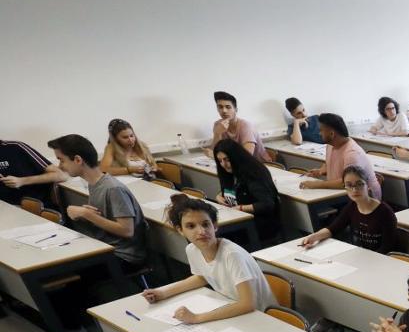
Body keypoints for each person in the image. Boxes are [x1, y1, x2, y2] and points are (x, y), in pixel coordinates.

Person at [141, 195, 276, 322]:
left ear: (215, 226)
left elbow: (247, 304)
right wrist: (163, 293)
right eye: (191, 226)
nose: (201, 231)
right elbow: (202, 277)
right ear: (180, 230)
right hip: (233, 308)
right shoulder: (192, 249)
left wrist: (197, 318)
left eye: (206, 224)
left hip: (260, 317)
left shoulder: (232, 254)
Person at [49, 134, 147, 271]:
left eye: (62, 160)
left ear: (77, 160)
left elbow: (127, 230)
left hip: (125, 257)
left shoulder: (113, 188)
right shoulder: (94, 184)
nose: (60, 166)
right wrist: (84, 215)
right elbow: (104, 220)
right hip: (107, 248)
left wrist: (87, 214)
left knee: (67, 273)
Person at [299, 165, 397, 253]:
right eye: (349, 185)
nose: (354, 190)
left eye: (359, 184)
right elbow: (333, 229)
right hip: (360, 256)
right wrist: (313, 237)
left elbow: (387, 248)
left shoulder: (385, 212)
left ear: (368, 185)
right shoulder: (352, 207)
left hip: (379, 260)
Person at [213, 138, 281, 243]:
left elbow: (267, 204)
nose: (223, 164)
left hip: (260, 223)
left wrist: (240, 208)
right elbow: (232, 190)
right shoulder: (227, 172)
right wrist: (219, 196)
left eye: (227, 159)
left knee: (216, 235)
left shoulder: (253, 172)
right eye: (220, 161)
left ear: (235, 157)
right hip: (237, 218)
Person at [300, 113, 382, 199]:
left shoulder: (352, 153)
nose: (319, 133)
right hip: (344, 193)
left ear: (332, 134)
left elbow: (346, 183)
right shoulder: (331, 145)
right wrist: (320, 171)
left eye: (321, 130)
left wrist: (316, 184)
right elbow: (329, 163)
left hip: (365, 198)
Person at [206, 90, 268, 161]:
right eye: (220, 107)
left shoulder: (245, 126)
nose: (224, 111)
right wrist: (217, 134)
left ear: (236, 110)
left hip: (260, 165)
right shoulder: (218, 125)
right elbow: (213, 151)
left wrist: (216, 156)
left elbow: (247, 157)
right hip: (234, 165)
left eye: (228, 107)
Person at [0, 139, 63, 206]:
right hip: (6, 207)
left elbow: (60, 175)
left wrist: (21, 181)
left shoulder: (15, 147)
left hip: (37, 206)